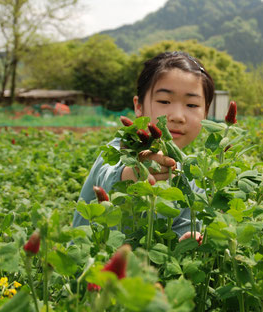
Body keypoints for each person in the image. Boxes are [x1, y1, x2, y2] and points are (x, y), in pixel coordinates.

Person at [72, 51, 215, 241]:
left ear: (205, 113)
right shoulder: (119, 149)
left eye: (191, 105)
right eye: (164, 101)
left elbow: (183, 230)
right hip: (92, 267)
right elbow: (107, 174)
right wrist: (134, 173)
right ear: (138, 106)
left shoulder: (193, 177)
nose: (177, 116)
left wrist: (186, 242)